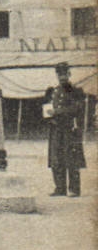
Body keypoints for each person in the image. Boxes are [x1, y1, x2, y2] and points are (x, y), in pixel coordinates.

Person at [45, 62, 86, 196]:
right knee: (56, 158)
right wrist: (48, 114)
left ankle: (74, 189)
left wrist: (57, 112)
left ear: (69, 74)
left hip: (70, 128)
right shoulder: (54, 91)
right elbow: (49, 107)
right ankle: (60, 188)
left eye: (64, 74)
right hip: (56, 129)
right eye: (59, 74)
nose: (62, 77)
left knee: (71, 158)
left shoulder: (75, 91)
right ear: (57, 75)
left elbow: (76, 109)